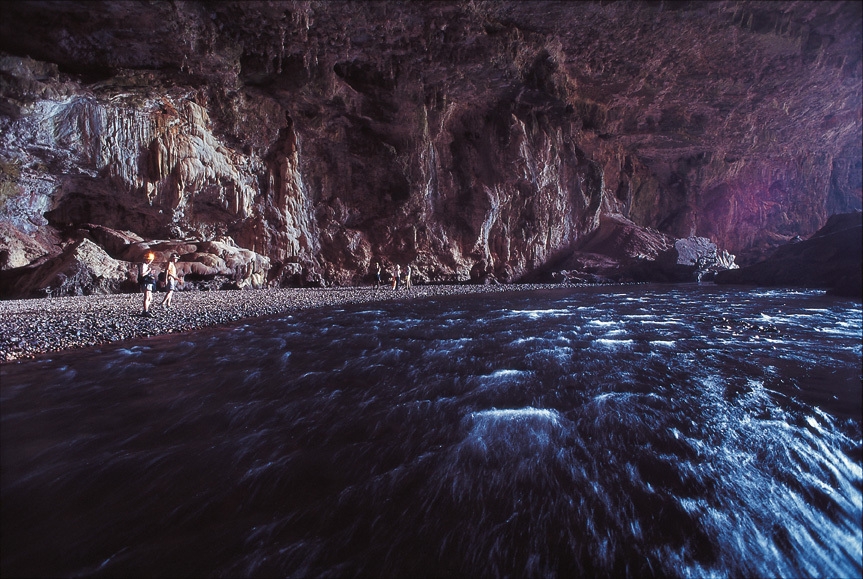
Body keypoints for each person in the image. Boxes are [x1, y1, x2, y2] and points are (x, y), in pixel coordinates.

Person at [138, 252, 157, 317]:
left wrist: (150, 272)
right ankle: (145, 311)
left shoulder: (146, 265)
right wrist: (149, 271)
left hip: (148, 282)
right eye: (150, 260)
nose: (151, 261)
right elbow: (142, 274)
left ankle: (146, 310)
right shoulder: (143, 265)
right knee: (147, 297)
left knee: (150, 298)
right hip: (146, 282)